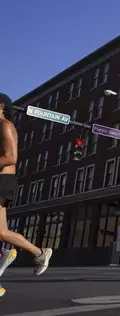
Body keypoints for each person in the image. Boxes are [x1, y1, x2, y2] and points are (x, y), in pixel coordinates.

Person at [0, 93, 53, 296]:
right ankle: (38, 253)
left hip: (3, 182)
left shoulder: (6, 126)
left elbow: (11, 157)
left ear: (1, 106)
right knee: (2, 232)